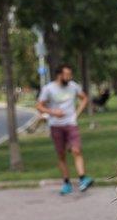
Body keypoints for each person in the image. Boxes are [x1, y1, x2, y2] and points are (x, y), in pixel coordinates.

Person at [36, 63, 92, 195]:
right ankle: (66, 183)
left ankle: (83, 178)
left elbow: (84, 98)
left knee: (76, 150)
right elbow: (39, 106)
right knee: (61, 154)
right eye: (66, 75)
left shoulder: (73, 86)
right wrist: (52, 112)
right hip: (55, 125)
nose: (69, 77)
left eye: (70, 75)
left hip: (71, 123)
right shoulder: (49, 89)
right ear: (59, 75)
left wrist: (76, 113)